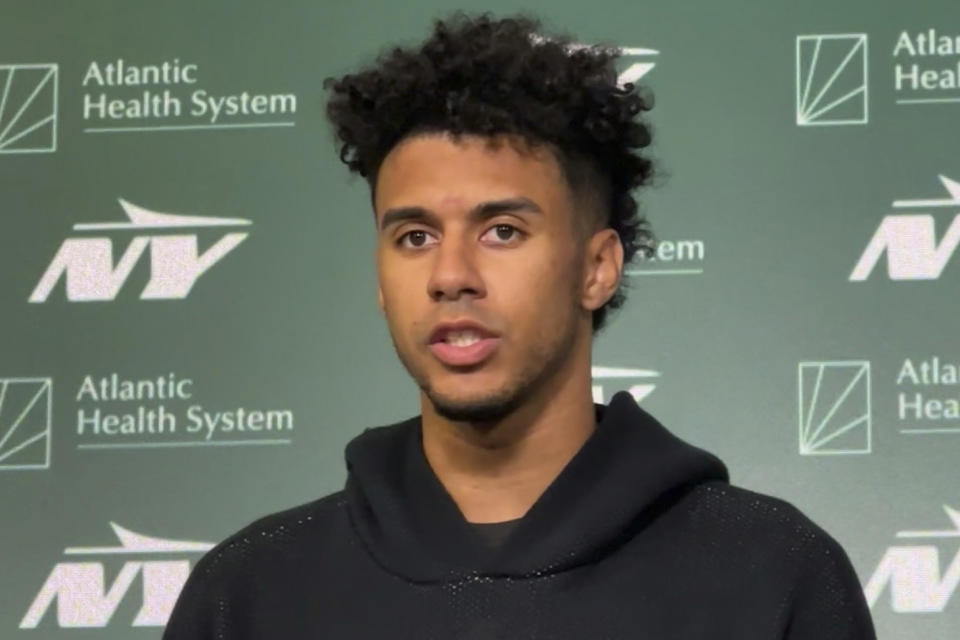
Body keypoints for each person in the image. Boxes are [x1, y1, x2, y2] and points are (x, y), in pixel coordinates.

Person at [163, 12, 876, 639]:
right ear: (380, 279)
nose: (451, 274)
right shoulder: (251, 594)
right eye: (414, 237)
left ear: (597, 268)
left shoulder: (771, 574)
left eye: (501, 231)